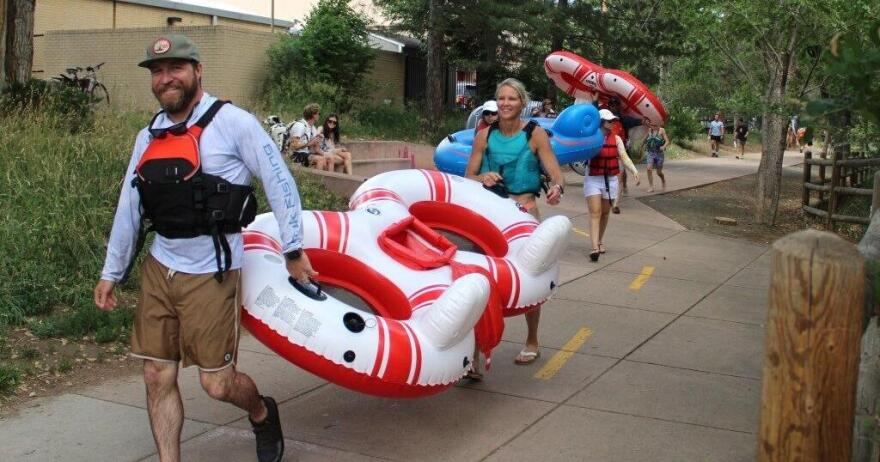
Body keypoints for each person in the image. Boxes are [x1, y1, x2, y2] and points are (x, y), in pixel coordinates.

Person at [92, 34, 316, 462]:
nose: (165, 78)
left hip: (211, 269)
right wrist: (111, 271)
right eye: (157, 71)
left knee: (217, 384)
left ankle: (260, 411)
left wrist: (293, 248)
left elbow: (279, 180)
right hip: (160, 266)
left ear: (198, 71)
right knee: (157, 374)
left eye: (175, 68)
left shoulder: (234, 123)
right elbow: (130, 205)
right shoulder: (149, 136)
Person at [465, 78, 565, 372]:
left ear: (522, 103)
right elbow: (467, 175)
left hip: (524, 214)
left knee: (528, 278)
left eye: (512, 98)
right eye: (502, 98)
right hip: (489, 215)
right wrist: (482, 177)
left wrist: (557, 189)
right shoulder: (484, 135)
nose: (506, 103)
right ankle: (475, 353)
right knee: (478, 281)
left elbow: (557, 175)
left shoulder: (535, 134)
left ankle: (532, 340)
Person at [585, 109, 640, 262]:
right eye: (609, 120)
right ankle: (594, 247)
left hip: (610, 180)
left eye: (613, 120)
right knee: (595, 213)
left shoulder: (616, 139)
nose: (613, 123)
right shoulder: (590, 138)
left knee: (605, 213)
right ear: (601, 122)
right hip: (593, 179)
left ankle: (600, 240)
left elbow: (623, 156)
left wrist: (634, 170)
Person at [288, 103, 327, 171]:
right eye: (318, 113)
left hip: (305, 153)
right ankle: (316, 181)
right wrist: (309, 143)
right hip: (294, 154)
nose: (319, 115)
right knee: (320, 160)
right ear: (313, 114)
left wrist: (318, 139)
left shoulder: (312, 128)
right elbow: (293, 146)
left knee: (326, 160)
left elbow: (314, 148)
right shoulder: (300, 126)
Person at [641, 117, 669, 192]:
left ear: (659, 125)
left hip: (659, 154)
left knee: (659, 173)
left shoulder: (662, 130)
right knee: (649, 169)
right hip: (651, 153)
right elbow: (645, 139)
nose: (653, 127)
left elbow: (667, 141)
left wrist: (663, 146)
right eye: (652, 125)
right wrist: (641, 146)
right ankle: (651, 187)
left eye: (655, 125)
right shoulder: (649, 130)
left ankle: (663, 181)